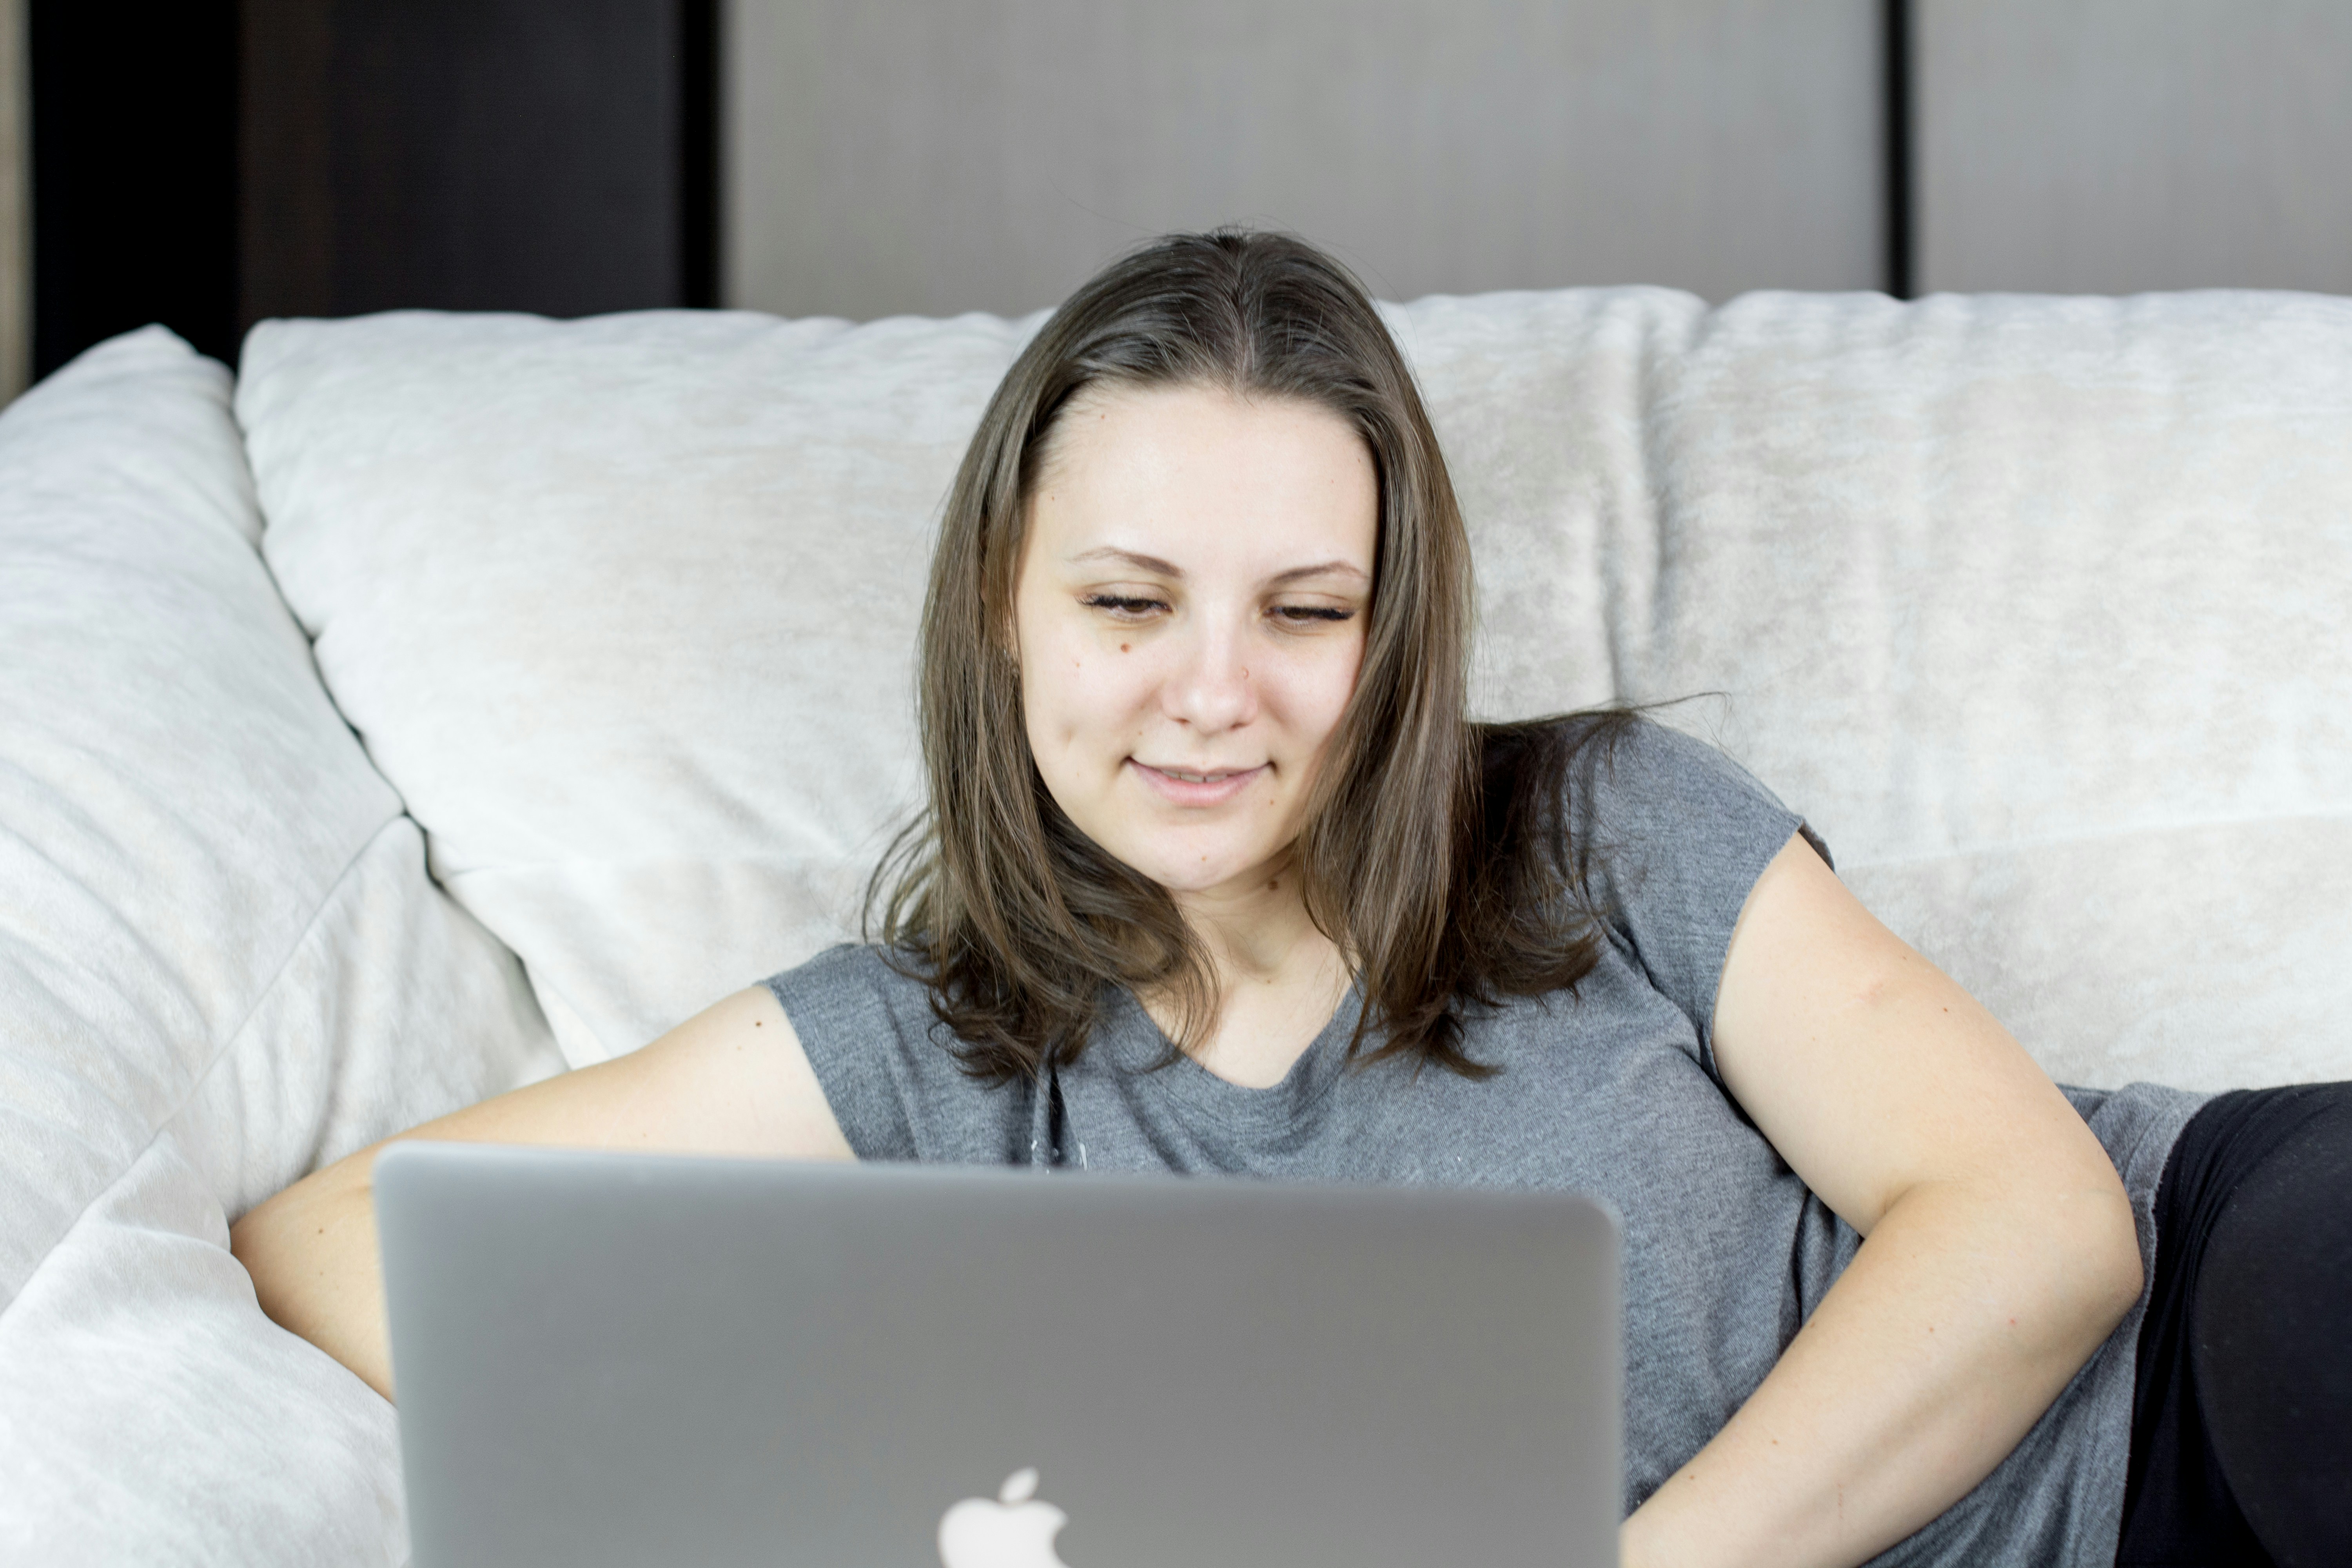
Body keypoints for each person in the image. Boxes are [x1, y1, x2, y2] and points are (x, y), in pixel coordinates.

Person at [232, 230, 2349, 1568]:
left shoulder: (1599, 826)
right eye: (1131, 602)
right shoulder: (930, 1053)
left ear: (1396, 633)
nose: (1212, 696)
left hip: (2190, 1336)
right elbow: (341, 1244)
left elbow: (2040, 1222)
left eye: (1306, 610)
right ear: (1005, 615)